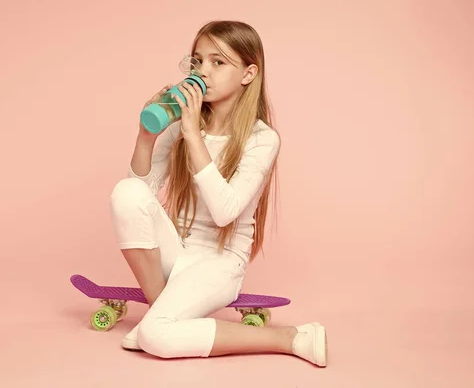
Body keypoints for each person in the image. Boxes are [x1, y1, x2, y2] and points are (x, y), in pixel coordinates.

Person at [108, 20, 327, 367]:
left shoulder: (261, 138)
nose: (203, 72)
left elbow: (227, 212)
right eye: (197, 61)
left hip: (220, 263)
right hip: (176, 254)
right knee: (125, 192)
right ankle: (159, 314)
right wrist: (146, 135)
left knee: (154, 337)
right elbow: (141, 191)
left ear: (248, 73)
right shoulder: (182, 122)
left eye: (218, 62)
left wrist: (194, 135)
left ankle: (292, 336)